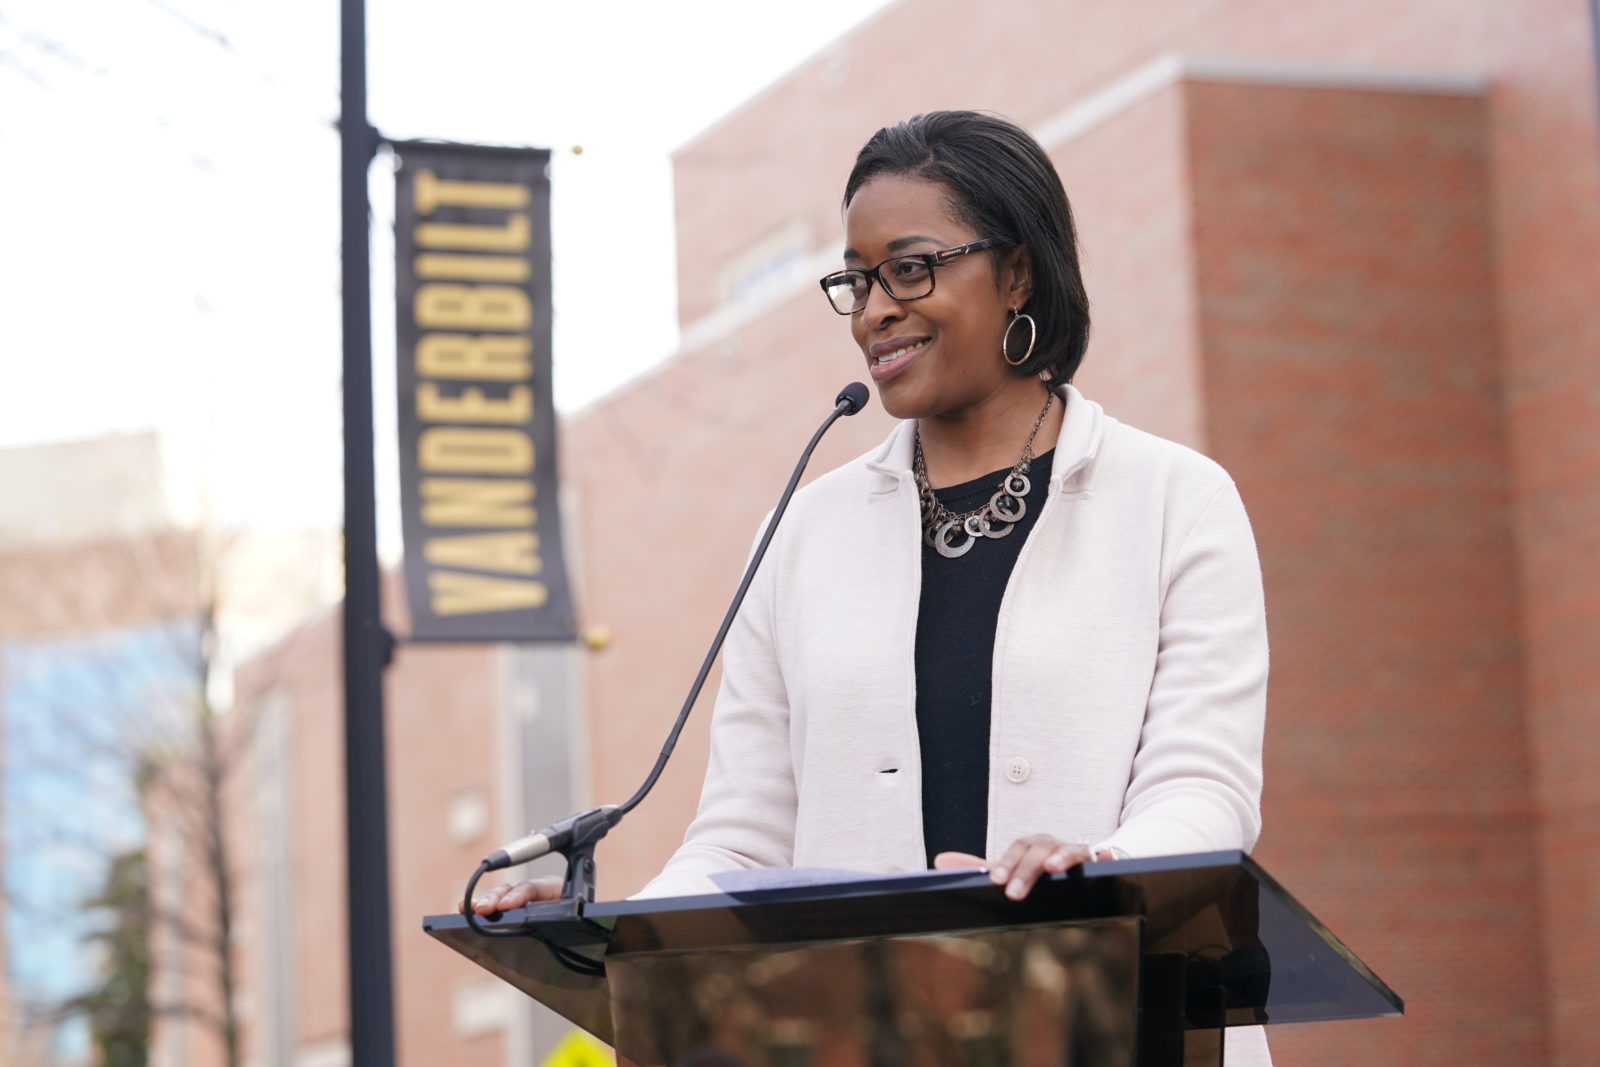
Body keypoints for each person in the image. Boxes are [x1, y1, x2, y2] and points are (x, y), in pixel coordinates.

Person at [469, 110, 1269, 1062]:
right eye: (858, 279)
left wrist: (1101, 867)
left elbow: (1204, 787)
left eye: (912, 268)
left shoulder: (1175, 500)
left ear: (1017, 272)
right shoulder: (801, 534)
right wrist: (613, 931)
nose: (873, 311)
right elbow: (743, 839)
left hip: (1116, 1023)